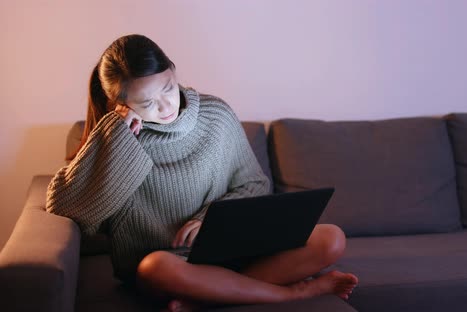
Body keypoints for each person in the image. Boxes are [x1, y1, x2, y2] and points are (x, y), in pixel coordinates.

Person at [46, 34, 358, 311]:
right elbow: (68, 210)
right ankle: (292, 294)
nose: (165, 106)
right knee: (155, 267)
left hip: (236, 255)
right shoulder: (114, 139)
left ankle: (205, 299)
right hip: (168, 268)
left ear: (172, 69)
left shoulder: (215, 114)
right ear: (120, 105)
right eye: (146, 102)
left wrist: (206, 218)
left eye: (167, 88)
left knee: (330, 238)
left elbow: (254, 184)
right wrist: (115, 136)